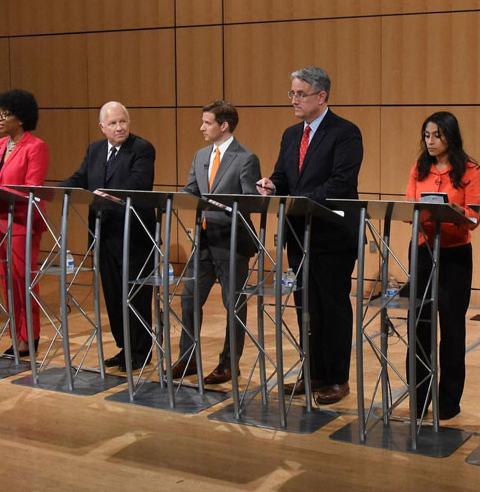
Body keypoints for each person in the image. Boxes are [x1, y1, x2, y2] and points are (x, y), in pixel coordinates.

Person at [256, 66, 363, 405]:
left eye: (300, 94)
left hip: (332, 234)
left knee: (332, 306)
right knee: (306, 307)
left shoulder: (345, 133)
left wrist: (300, 200)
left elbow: (340, 183)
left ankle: (337, 378)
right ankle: (312, 370)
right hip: (298, 233)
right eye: (292, 93)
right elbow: (283, 176)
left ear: (322, 96)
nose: (294, 100)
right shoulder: (291, 135)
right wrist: (272, 186)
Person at [59, 101, 155, 370]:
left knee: (135, 294)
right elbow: (80, 178)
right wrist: (55, 191)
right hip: (104, 232)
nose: (119, 127)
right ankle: (125, 347)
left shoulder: (142, 148)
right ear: (102, 127)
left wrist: (104, 194)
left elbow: (138, 184)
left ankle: (142, 351)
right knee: (113, 295)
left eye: (123, 121)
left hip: (134, 234)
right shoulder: (95, 150)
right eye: (113, 123)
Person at [173, 100, 261, 384]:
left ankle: (228, 365)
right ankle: (188, 359)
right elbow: (191, 190)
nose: (201, 127)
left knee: (232, 305)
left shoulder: (246, 158)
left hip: (232, 243)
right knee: (189, 299)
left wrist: (221, 206)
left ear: (223, 126)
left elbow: (249, 201)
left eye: (207, 122)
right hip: (204, 241)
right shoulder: (200, 155)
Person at [404, 111, 480, 421]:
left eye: (437, 135)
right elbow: (412, 205)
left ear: (450, 135)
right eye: (426, 135)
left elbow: (472, 217)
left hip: (455, 256)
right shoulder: (418, 168)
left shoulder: (471, 170)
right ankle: (420, 398)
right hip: (423, 252)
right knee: (420, 325)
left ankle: (448, 401)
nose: (431, 141)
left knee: (452, 328)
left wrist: (450, 210)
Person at [0, 89, 49, 357]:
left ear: (20, 118)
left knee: (24, 280)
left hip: (22, 222)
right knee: (7, 281)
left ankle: (29, 336)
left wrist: (5, 193)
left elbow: (32, 186)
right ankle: (15, 334)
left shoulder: (36, 146)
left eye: (5, 114)